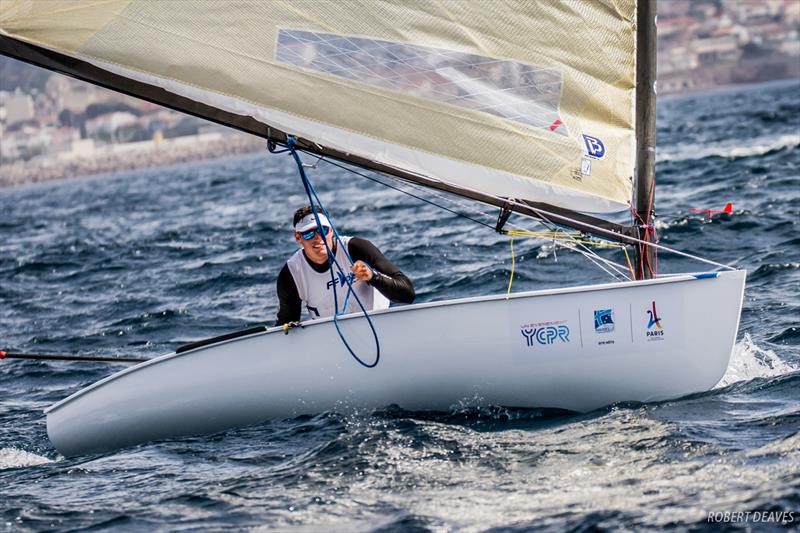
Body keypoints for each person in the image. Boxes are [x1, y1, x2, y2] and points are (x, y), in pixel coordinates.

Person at [276, 205, 414, 325]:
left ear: (330, 230)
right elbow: (287, 323)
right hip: (333, 340)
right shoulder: (292, 273)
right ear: (298, 237)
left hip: (378, 325)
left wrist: (373, 277)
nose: (318, 238)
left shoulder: (356, 248)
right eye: (309, 233)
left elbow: (408, 294)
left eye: (322, 230)